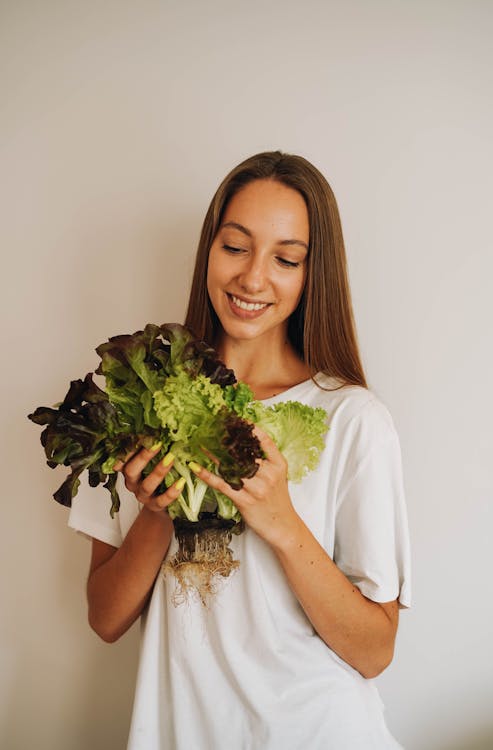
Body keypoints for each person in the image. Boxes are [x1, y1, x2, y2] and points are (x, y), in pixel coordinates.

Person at [69, 151, 411, 749]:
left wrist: (280, 520)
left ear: (311, 275)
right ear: (208, 251)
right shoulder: (139, 399)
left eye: (286, 259)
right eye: (235, 247)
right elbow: (106, 618)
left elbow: (375, 650)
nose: (254, 278)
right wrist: (155, 514)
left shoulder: (354, 420)